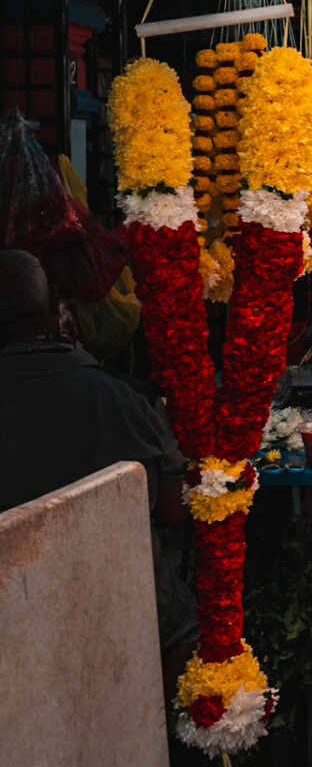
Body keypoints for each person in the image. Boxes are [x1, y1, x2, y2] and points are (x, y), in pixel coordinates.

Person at [0, 248, 198, 689]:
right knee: (189, 624)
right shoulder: (124, 400)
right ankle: (148, 730)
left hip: (11, 610)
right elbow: (172, 511)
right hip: (120, 604)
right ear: (59, 313)